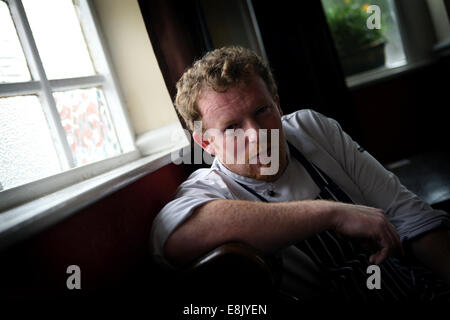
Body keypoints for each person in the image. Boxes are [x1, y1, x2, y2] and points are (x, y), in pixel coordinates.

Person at [150, 46, 450, 301]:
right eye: (231, 127)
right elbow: (175, 237)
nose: (257, 135)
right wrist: (332, 213)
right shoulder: (210, 189)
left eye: (262, 111)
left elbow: (410, 215)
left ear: (278, 105)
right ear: (206, 142)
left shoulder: (310, 128)